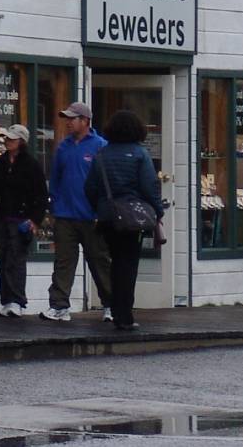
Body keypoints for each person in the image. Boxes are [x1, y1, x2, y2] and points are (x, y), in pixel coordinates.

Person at [84, 107, 163, 331]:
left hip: (108, 216)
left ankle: (113, 307)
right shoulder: (140, 154)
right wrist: (158, 211)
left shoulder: (101, 154)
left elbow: (90, 187)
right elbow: (149, 186)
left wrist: (99, 208)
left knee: (114, 262)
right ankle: (124, 315)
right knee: (128, 266)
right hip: (132, 218)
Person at [0, 123, 49, 316]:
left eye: (11, 138)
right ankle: (7, 300)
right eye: (6, 138)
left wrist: (35, 220)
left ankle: (17, 301)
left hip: (22, 220)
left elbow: (41, 195)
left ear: (21, 142)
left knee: (16, 259)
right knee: (5, 258)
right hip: (1, 217)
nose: (7, 141)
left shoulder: (32, 165)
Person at [43, 101, 111, 321]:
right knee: (63, 262)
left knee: (99, 261)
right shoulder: (63, 147)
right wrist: (54, 206)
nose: (68, 123)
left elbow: (106, 181)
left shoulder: (100, 146)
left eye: (73, 119)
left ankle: (111, 304)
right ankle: (59, 306)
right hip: (65, 215)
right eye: (67, 119)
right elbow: (55, 179)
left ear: (85, 121)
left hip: (92, 216)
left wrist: (103, 211)